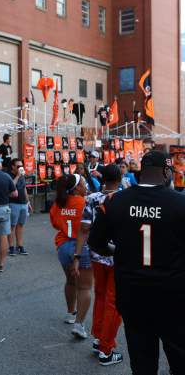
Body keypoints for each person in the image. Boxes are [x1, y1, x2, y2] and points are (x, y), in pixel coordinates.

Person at [89, 151, 185, 374]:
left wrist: (120, 252)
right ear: (166, 171)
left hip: (133, 294)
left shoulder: (115, 201)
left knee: (142, 362)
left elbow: (96, 243)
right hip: (173, 296)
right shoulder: (180, 204)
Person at [73, 164, 123, 366]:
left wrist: (77, 255)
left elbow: (84, 229)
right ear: (119, 179)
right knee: (114, 303)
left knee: (101, 297)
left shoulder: (91, 199)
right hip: (118, 257)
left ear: (102, 179)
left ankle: (98, 338)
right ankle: (106, 349)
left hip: (96, 255)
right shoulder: (124, 198)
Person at [49, 174, 91, 339]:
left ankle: (70, 313)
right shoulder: (84, 202)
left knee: (70, 280)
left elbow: (54, 223)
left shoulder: (58, 203)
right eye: (82, 183)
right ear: (76, 188)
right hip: (82, 247)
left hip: (63, 246)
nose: (85, 185)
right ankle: (79, 324)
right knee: (85, 287)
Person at [8, 158, 32, 256]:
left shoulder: (22, 176)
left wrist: (28, 202)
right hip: (13, 203)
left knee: (21, 225)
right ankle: (11, 247)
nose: (20, 168)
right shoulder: (9, 176)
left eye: (21, 166)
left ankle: (20, 246)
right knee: (12, 226)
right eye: (18, 166)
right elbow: (10, 187)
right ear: (13, 166)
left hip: (23, 203)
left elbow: (24, 188)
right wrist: (17, 176)